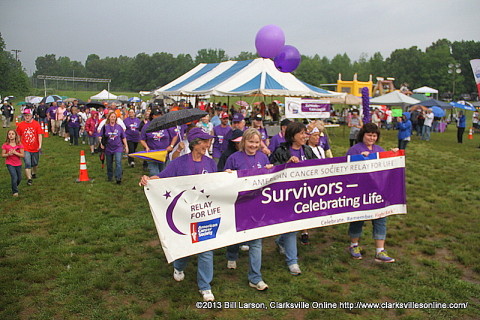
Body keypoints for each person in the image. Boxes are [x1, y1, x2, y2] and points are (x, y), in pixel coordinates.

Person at [139, 127, 217, 302]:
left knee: (206, 249)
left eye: (208, 141)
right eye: (204, 141)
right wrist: (148, 179)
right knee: (187, 247)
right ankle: (179, 266)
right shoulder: (179, 163)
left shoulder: (210, 163)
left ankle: (205, 286)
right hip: (183, 213)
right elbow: (162, 178)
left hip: (203, 213)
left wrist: (227, 176)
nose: (207, 144)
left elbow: (217, 182)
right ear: (195, 144)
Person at [223, 128, 273, 291]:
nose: (253, 145)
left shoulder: (263, 157)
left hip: (257, 204)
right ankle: (232, 255)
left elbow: (268, 179)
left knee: (256, 242)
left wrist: (270, 171)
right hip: (237, 203)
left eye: (257, 142)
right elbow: (223, 179)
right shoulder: (233, 158)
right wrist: (227, 174)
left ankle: (255, 278)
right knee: (235, 234)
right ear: (244, 142)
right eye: (250, 142)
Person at [270, 121, 318, 275]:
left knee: (296, 224)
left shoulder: (308, 150)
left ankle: (280, 241)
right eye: (302, 133)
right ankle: (293, 262)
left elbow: (319, 167)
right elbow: (271, 170)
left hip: (304, 193)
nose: (305, 136)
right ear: (292, 136)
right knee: (291, 225)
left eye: (306, 133)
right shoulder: (281, 150)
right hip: (286, 194)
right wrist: (286, 164)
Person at [346, 123, 397, 263]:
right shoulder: (354, 150)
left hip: (378, 191)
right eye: (369, 135)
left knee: (381, 219)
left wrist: (393, 155)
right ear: (362, 135)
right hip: (360, 191)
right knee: (358, 218)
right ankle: (354, 245)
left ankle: (380, 250)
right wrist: (360, 159)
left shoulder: (380, 150)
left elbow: (387, 169)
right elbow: (347, 170)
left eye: (374, 135)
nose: (372, 138)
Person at [140, 107, 176, 176]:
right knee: (154, 173)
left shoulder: (166, 125)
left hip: (164, 153)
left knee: (164, 173)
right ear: (152, 116)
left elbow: (175, 135)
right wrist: (146, 147)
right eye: (157, 115)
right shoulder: (147, 126)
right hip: (152, 153)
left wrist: (171, 145)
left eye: (160, 115)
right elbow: (142, 139)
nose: (159, 117)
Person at [100, 112, 128, 184]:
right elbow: (100, 136)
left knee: (118, 162)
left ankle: (118, 178)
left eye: (114, 117)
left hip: (118, 147)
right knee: (109, 163)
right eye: (111, 117)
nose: (113, 118)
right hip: (108, 147)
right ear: (109, 117)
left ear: (116, 118)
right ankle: (110, 176)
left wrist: (126, 146)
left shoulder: (119, 127)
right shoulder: (105, 127)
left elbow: (123, 137)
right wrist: (101, 143)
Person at [16, 109, 42, 186]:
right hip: (25, 148)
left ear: (31, 116)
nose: (27, 117)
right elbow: (18, 136)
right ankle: (29, 179)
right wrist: (19, 145)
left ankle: (33, 173)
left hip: (35, 147)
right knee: (27, 163)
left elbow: (39, 135)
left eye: (28, 115)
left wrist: (40, 145)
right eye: (25, 115)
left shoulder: (36, 124)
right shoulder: (20, 125)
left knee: (35, 163)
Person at [2, 129, 24, 196]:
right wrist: (8, 154)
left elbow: (22, 155)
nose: (11, 135)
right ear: (7, 136)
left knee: (19, 178)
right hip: (10, 163)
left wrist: (15, 153)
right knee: (14, 177)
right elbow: (3, 155)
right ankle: (15, 192)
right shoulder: (5, 145)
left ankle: (14, 186)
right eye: (9, 134)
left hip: (18, 163)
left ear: (15, 135)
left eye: (12, 134)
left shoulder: (19, 144)